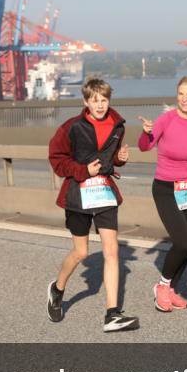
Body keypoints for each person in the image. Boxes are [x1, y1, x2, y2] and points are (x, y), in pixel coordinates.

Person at [46, 77, 139, 332]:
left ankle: (112, 314)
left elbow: (112, 158)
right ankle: (57, 288)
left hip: (105, 193)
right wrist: (82, 169)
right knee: (81, 253)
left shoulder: (117, 125)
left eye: (104, 100)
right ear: (86, 101)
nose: (100, 105)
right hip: (78, 193)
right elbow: (57, 159)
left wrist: (120, 159)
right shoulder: (72, 127)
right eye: (95, 100)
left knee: (112, 251)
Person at [137, 76, 187, 312]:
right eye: (181, 94)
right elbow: (145, 146)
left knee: (186, 246)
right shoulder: (166, 119)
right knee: (183, 241)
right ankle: (162, 285)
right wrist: (147, 132)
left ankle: (172, 290)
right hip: (167, 188)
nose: (184, 98)